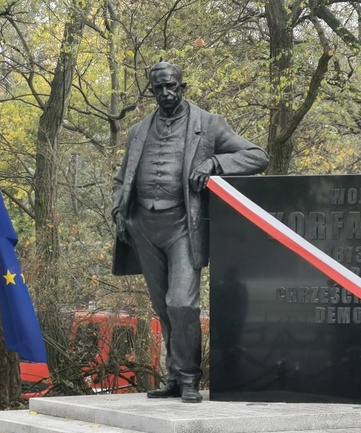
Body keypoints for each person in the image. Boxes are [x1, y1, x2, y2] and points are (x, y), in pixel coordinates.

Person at [111, 61, 268, 403]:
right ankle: (174, 376)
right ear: (151, 91)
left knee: (182, 303)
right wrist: (118, 212)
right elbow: (122, 178)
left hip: (183, 225)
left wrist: (215, 164)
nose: (166, 93)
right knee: (163, 308)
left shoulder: (208, 125)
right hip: (143, 227)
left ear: (183, 86)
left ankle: (189, 378)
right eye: (158, 89)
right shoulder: (139, 130)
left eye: (171, 87)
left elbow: (257, 156)